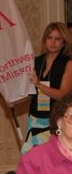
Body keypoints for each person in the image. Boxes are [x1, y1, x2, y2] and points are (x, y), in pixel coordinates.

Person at [21, 21, 72, 154]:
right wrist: (13, 100)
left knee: (53, 159)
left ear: (64, 42)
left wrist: (38, 84)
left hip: (56, 119)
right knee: (30, 155)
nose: (53, 42)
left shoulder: (68, 63)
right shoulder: (36, 61)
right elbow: (29, 93)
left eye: (57, 39)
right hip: (35, 118)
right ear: (45, 40)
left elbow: (63, 95)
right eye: (50, 38)